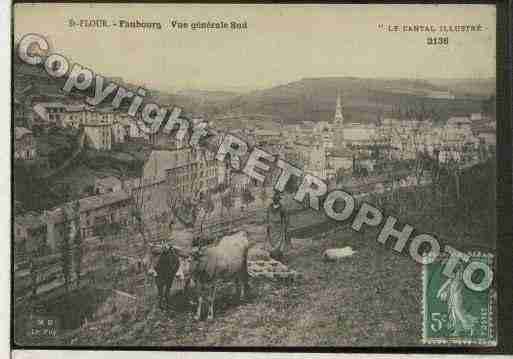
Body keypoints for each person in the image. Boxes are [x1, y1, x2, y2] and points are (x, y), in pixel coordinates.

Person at [266, 190, 289, 262]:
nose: (275, 200)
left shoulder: (282, 208)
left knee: (280, 242)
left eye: (277, 199)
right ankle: (272, 255)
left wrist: (284, 227)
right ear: (273, 200)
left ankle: (280, 256)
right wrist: (268, 225)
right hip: (272, 227)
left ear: (279, 200)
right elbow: (268, 217)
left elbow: (285, 218)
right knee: (271, 241)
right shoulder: (269, 207)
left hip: (279, 227)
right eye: (274, 199)